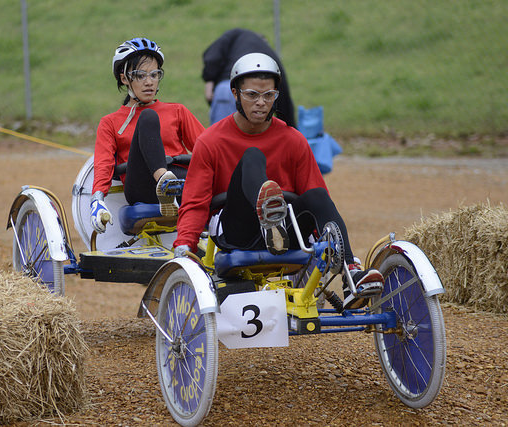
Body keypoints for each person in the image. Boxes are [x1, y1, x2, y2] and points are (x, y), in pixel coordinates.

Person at [174, 53, 383, 310]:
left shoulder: (293, 139)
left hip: (288, 232)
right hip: (238, 233)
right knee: (252, 157)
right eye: (252, 95)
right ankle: (267, 218)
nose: (261, 103)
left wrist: (328, 246)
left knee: (317, 194)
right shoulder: (211, 141)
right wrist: (184, 245)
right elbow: (195, 203)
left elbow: (317, 204)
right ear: (235, 93)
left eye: (269, 95)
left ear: (276, 95)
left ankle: (352, 274)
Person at [90, 37, 205, 233]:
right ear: (124, 78)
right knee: (149, 117)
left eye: (154, 74)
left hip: (180, 181)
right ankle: (164, 182)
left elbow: (207, 148)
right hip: (142, 186)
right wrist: (97, 200)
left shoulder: (177, 111)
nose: (149, 82)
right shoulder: (110, 122)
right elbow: (104, 165)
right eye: (140, 76)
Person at [202, 28, 296, 127]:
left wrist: (209, 80)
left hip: (225, 89)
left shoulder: (238, 34)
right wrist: (290, 127)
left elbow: (213, 54)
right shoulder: (271, 59)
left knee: (219, 138)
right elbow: (284, 99)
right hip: (234, 89)